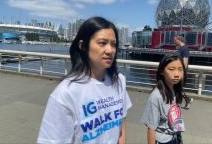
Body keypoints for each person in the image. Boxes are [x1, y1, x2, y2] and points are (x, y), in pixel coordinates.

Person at [37, 16, 132, 144]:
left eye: (114, 44)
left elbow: (120, 125)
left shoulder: (118, 81)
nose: (110, 50)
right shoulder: (65, 94)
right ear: (83, 45)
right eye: (102, 43)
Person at [141, 53, 186, 144]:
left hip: (175, 136)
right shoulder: (156, 96)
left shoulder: (175, 89)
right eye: (171, 69)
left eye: (180, 70)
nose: (177, 74)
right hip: (162, 140)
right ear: (162, 71)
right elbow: (151, 128)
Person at [174, 35, 193, 109]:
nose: (174, 42)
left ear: (179, 40)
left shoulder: (185, 49)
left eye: (175, 40)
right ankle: (183, 101)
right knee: (178, 88)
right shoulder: (181, 49)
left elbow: (185, 63)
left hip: (181, 73)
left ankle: (181, 102)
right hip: (178, 71)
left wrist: (182, 74)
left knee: (178, 88)